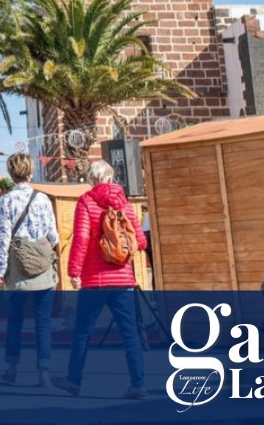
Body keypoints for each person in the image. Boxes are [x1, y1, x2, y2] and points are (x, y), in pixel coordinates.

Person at [54, 160, 149, 400]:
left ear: (91, 179)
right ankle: (138, 384)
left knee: (82, 332)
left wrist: (73, 271)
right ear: (110, 177)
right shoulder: (124, 203)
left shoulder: (86, 201)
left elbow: (81, 240)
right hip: (123, 281)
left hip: (94, 281)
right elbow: (141, 242)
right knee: (130, 334)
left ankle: (73, 381)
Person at [0, 152, 59, 388]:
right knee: (43, 321)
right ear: (30, 172)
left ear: (11, 174)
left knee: (15, 319)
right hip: (42, 265)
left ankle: (12, 370)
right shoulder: (43, 199)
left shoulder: (5, 201)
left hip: (17, 267)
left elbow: (2, 237)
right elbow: (53, 236)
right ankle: (44, 374)